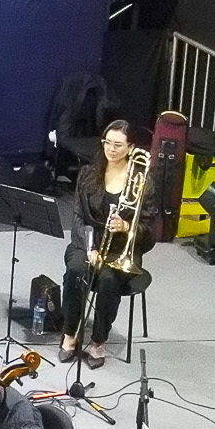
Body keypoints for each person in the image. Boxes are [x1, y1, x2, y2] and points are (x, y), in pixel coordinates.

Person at [60, 121, 146, 368]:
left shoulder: (140, 180)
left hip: (121, 248)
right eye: (107, 143)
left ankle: (98, 341)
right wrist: (91, 248)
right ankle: (69, 333)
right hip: (87, 241)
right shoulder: (88, 173)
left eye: (118, 145)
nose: (111, 149)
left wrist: (126, 226)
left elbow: (150, 225)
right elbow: (78, 216)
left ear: (130, 147)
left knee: (109, 279)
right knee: (76, 270)